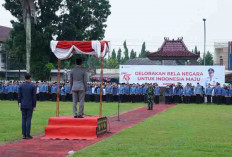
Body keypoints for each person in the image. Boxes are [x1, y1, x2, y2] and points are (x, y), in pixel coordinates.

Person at [18, 73, 36, 139]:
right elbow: (34, 97)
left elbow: (19, 96)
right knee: (28, 119)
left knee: (23, 119)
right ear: (30, 78)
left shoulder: (21, 86)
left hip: (23, 104)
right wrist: (34, 105)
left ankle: (24, 134)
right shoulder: (32, 86)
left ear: (25, 78)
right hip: (30, 105)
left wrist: (19, 104)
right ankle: (28, 134)